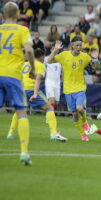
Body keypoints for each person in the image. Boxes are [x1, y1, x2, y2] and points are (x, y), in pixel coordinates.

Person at [0, 2, 35, 166]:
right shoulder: (22, 30)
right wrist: (33, 69)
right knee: (21, 112)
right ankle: (24, 153)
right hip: (13, 75)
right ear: (18, 13)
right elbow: (28, 50)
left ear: (3, 14)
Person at [7, 49, 67, 142]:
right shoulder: (40, 65)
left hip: (21, 89)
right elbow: (38, 80)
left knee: (20, 110)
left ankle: (10, 133)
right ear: (41, 57)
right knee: (50, 108)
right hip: (31, 89)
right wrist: (35, 94)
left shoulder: (25, 64)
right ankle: (53, 133)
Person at [47, 38, 99, 141]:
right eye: (77, 45)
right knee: (74, 114)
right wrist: (55, 50)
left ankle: (85, 122)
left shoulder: (84, 56)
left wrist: (95, 59)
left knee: (80, 108)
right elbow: (49, 60)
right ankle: (83, 134)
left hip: (80, 87)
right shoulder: (64, 55)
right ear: (72, 45)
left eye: (81, 45)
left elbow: (94, 69)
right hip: (68, 89)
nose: (79, 48)